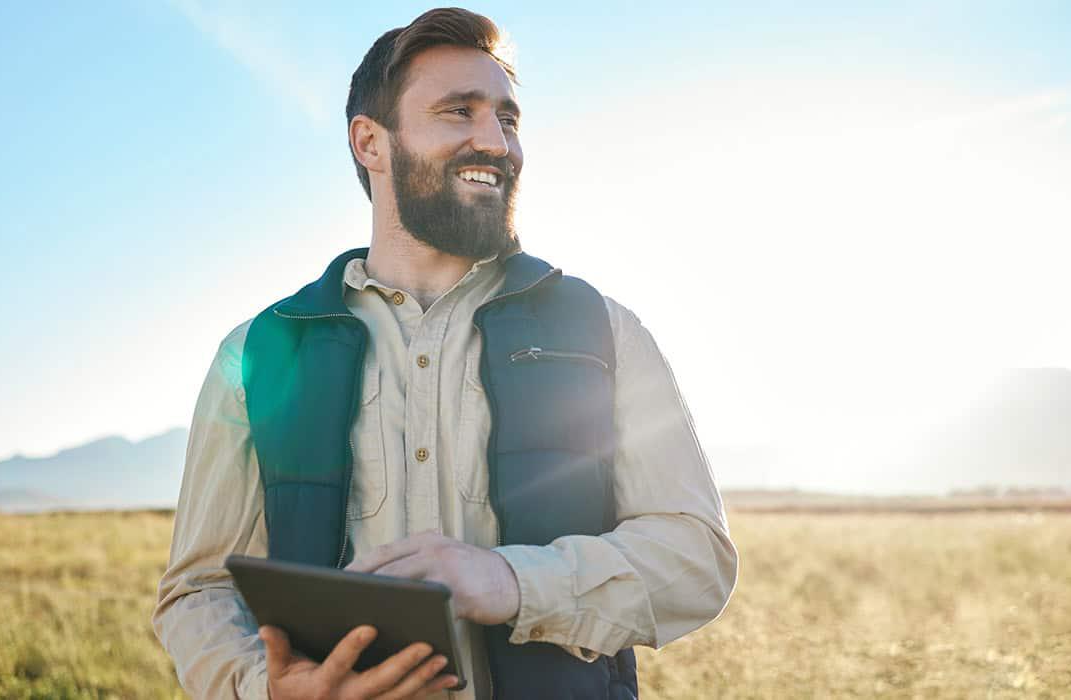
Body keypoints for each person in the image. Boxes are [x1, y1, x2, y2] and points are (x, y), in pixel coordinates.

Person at [153, 7, 737, 699]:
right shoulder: (260, 352)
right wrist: (264, 687)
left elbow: (697, 558)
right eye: (459, 112)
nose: (496, 141)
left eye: (508, 119)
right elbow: (197, 590)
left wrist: (513, 581)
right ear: (371, 142)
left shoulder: (603, 330)